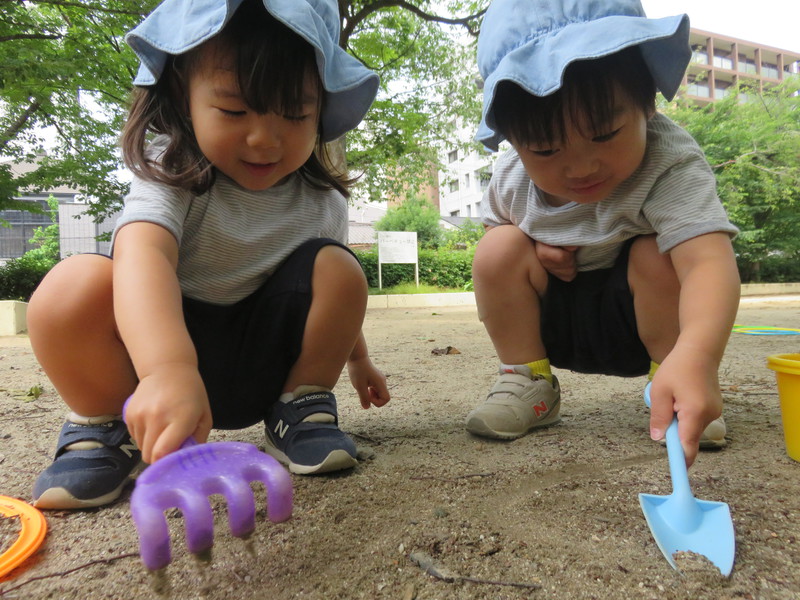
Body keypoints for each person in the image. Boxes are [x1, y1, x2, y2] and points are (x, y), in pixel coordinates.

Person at [28, 0, 390, 510]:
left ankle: (301, 406)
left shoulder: (322, 198)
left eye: (295, 114)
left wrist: (359, 358)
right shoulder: (171, 168)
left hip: (261, 367)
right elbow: (143, 253)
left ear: (322, 110)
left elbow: (330, 297)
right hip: (155, 368)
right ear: (184, 95)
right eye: (235, 111)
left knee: (339, 267)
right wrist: (165, 369)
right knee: (71, 286)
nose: (264, 139)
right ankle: (106, 425)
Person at [465, 0, 740, 467]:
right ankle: (528, 380)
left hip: (643, 323)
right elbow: (501, 254)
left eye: (605, 133)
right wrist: (537, 248)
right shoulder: (511, 177)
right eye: (545, 150)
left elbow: (707, 262)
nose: (581, 168)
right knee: (498, 247)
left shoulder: (669, 161)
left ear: (647, 103)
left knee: (657, 252)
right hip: (558, 322)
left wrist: (699, 355)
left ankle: (674, 382)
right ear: (512, 140)